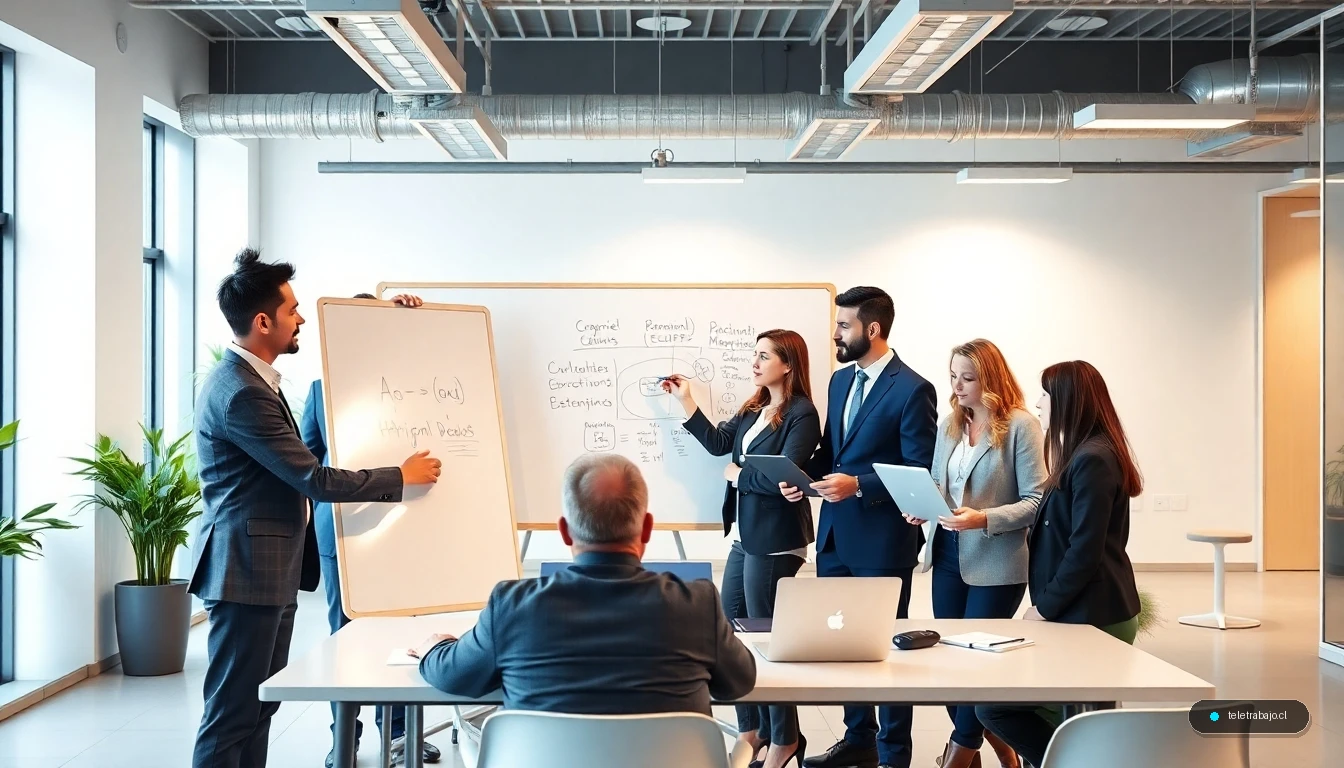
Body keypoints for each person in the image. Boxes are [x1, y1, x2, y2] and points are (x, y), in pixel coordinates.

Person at [189, 249, 442, 768]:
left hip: (264, 570)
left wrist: (395, 322)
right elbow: (312, 477)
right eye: (293, 310)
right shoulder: (241, 393)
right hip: (246, 573)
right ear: (264, 322)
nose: (302, 318)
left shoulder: (254, 381)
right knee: (232, 713)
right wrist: (401, 476)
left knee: (258, 708)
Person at [409, 453, 757, 718]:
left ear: (564, 531)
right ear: (647, 529)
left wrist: (433, 649)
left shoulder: (512, 606)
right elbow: (738, 683)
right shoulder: (696, 604)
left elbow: (455, 676)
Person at [783, 286, 937, 768]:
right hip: (834, 536)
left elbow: (917, 469)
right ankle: (859, 740)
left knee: (888, 650)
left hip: (883, 541)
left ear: (873, 329)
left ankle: (894, 754)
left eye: (844, 325)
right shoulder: (839, 382)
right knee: (843, 642)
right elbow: (833, 452)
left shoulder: (913, 389)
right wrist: (801, 478)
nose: (836, 334)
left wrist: (860, 486)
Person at [664, 329, 821, 768]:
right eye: (755, 354)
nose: (754, 362)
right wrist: (686, 400)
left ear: (787, 364)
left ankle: (785, 739)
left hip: (776, 539)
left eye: (764, 356)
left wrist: (738, 476)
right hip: (744, 534)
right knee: (733, 633)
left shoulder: (802, 413)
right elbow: (719, 444)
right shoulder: (755, 406)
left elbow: (786, 476)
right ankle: (754, 730)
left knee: (765, 641)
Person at [974, 361, 1144, 768]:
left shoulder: (1093, 459)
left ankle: (1074, 761)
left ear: (1068, 401)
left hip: (1093, 614)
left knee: (995, 708)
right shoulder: (1086, 453)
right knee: (1078, 718)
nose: (1037, 404)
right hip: (1083, 610)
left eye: (1045, 396)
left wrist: (1044, 608)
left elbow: (1084, 550)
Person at [299, 293, 442, 768]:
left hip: (403, 528)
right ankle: (345, 738)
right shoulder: (321, 388)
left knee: (402, 633)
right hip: (342, 528)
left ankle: (399, 735)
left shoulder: (415, 382)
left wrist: (407, 317)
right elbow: (308, 461)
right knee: (343, 635)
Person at [902, 340, 1045, 768]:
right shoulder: (951, 423)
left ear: (991, 379)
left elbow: (1037, 500)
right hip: (947, 553)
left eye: (967, 378)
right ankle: (1003, 749)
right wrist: (922, 505)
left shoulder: (1021, 426)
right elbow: (938, 483)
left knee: (976, 662)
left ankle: (960, 754)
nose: (957, 386)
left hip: (997, 560)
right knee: (950, 661)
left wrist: (983, 518)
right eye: (953, 376)